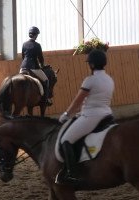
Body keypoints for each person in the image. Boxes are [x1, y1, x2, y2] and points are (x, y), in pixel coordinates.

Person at [55, 49, 115, 184]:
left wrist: (66, 114)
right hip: (107, 114)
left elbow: (78, 100)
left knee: (66, 140)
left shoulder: (90, 80)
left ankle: (71, 173)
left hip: (91, 116)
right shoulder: (109, 79)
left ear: (92, 65)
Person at [19, 26, 52, 106]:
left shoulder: (24, 44)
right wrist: (42, 65)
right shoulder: (37, 45)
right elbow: (40, 58)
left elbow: (23, 56)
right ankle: (46, 99)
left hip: (23, 67)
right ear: (36, 35)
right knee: (46, 80)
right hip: (33, 68)